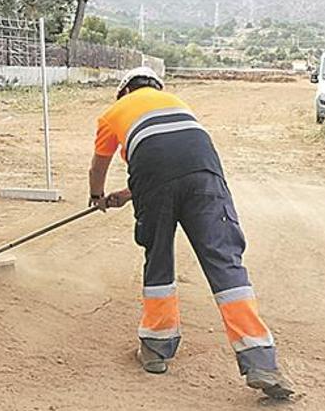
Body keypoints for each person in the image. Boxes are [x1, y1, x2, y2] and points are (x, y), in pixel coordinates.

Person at [88, 67, 294, 399]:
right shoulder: (176, 102)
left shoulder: (113, 113)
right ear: (156, 87)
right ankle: (262, 362)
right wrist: (127, 194)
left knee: (158, 258)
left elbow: (102, 166)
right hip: (205, 175)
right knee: (226, 265)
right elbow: (179, 162)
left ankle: (156, 347)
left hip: (154, 180)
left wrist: (97, 196)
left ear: (124, 91)